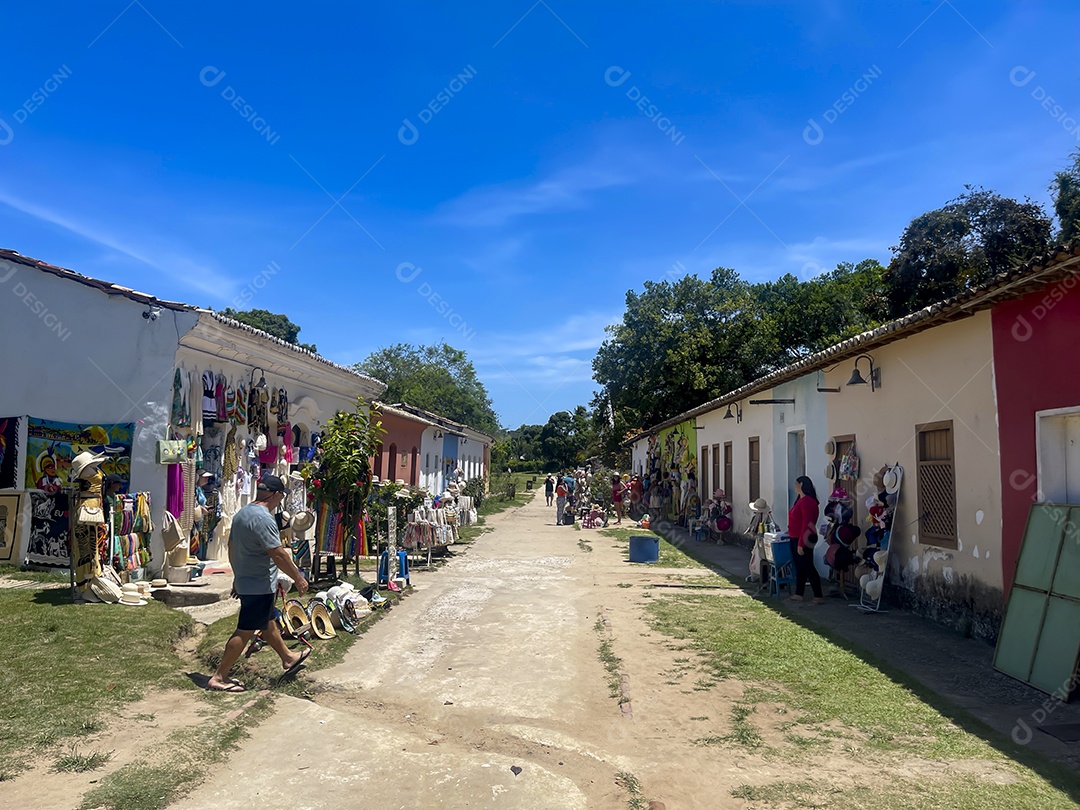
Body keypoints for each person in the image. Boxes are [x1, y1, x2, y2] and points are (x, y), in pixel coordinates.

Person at [207, 474, 310, 692]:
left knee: (268, 622)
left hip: (247, 580)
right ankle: (219, 677)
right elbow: (278, 554)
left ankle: (288, 657)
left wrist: (237, 576)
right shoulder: (264, 519)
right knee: (245, 630)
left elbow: (232, 547)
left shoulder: (242, 514)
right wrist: (298, 577)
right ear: (276, 495)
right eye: (281, 496)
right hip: (258, 584)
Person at [787, 476, 822, 603]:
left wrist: (801, 543)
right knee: (799, 566)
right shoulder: (800, 500)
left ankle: (818, 595)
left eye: (796, 484)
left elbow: (807, 523)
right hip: (795, 536)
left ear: (801, 484)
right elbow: (797, 519)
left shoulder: (807, 501)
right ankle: (799, 593)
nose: (794, 486)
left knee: (807, 565)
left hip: (804, 537)